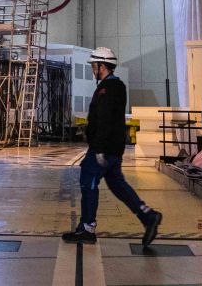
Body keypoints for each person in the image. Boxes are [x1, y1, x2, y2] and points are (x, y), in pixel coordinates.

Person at [62, 47, 162, 247]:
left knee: (88, 180)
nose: (92, 69)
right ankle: (148, 216)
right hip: (113, 147)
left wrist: (98, 149)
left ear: (102, 66)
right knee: (117, 185)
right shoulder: (114, 86)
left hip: (104, 148)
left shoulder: (107, 89)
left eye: (94, 65)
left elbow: (105, 119)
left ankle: (87, 228)